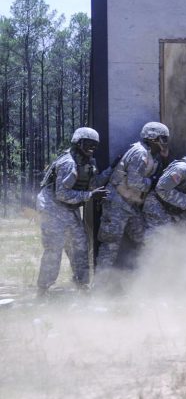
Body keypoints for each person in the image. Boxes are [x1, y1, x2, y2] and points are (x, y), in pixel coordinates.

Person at [35, 127, 110, 297]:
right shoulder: (68, 163)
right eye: (88, 144)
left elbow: (92, 183)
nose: (92, 148)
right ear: (78, 143)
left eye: (94, 145)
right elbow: (62, 194)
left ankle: (81, 284)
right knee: (54, 248)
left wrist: (112, 169)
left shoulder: (89, 163)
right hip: (53, 207)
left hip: (69, 209)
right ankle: (43, 290)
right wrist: (90, 195)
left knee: (80, 246)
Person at [96, 122, 169, 282]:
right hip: (117, 203)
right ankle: (99, 288)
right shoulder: (139, 153)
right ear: (151, 138)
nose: (165, 142)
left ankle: (139, 283)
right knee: (110, 245)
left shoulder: (151, 155)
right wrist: (155, 182)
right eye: (162, 138)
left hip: (130, 205)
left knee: (145, 240)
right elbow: (134, 182)